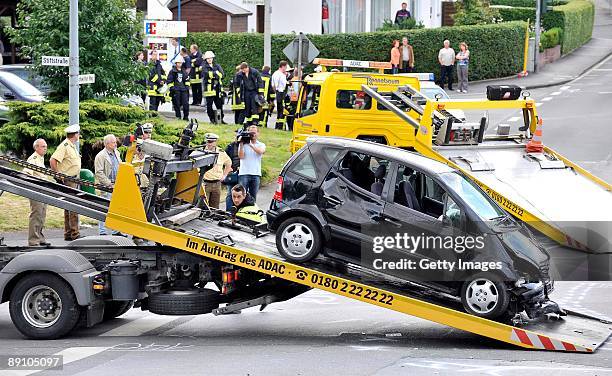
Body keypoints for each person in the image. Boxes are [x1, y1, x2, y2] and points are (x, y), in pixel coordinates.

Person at [50, 124, 82, 241]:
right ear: (75, 134)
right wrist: (57, 174)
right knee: (73, 206)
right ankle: (75, 233)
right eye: (78, 133)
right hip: (69, 180)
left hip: (73, 179)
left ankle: (69, 233)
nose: (79, 135)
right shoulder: (65, 145)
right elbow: (53, 160)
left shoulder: (71, 145)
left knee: (68, 207)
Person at [24, 138, 50, 246]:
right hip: (36, 190)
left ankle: (40, 238)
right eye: (43, 146)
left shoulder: (40, 158)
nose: (45, 149)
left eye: (46, 146)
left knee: (42, 215)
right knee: (36, 215)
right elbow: (26, 173)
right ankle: (33, 240)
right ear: (36, 147)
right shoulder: (33, 159)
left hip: (42, 190)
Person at [94, 134, 121, 235]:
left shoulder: (116, 153)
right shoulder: (100, 156)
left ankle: (115, 231)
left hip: (117, 185)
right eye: (113, 142)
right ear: (107, 144)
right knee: (104, 208)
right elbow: (99, 173)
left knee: (116, 209)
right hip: (108, 185)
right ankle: (102, 231)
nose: (115, 144)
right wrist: (109, 184)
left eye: (115, 142)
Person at [202, 133, 232, 209]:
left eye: (211, 142)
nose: (209, 144)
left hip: (217, 183)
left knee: (215, 207)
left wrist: (224, 175)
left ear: (215, 142)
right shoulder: (201, 152)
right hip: (205, 183)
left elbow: (229, 163)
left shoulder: (221, 152)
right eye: (208, 141)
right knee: (203, 206)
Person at [238, 125, 265, 200]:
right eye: (251, 133)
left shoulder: (261, 144)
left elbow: (260, 152)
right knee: (241, 196)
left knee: (253, 197)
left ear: (258, 133)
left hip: (255, 174)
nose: (253, 135)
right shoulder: (243, 144)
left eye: (254, 133)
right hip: (244, 173)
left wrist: (250, 144)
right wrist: (241, 144)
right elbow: (241, 156)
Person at [202, 51, 225, 124]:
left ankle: (220, 120)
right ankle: (212, 119)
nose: (209, 60)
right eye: (208, 58)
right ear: (206, 59)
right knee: (209, 106)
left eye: (211, 58)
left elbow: (222, 75)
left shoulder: (217, 66)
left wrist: (213, 75)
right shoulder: (204, 67)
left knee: (219, 105)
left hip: (218, 89)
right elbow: (206, 74)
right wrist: (216, 74)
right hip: (209, 89)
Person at [167, 55, 191, 120]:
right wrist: (172, 88)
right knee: (176, 104)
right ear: (176, 63)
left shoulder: (184, 71)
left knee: (185, 104)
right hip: (176, 90)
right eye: (178, 63)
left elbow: (187, 80)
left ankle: (186, 117)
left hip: (183, 90)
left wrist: (187, 87)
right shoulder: (172, 71)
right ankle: (178, 117)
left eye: (180, 63)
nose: (179, 64)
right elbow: (169, 81)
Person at [223, 132, 241, 210]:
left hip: (243, 173)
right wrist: (228, 168)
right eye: (237, 137)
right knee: (230, 193)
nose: (239, 139)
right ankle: (229, 212)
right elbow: (224, 159)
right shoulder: (230, 146)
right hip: (232, 173)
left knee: (242, 194)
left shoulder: (246, 146)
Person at [132, 122, 153, 188]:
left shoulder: (153, 147)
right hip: (133, 179)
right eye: (146, 133)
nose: (149, 135)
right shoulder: (135, 145)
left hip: (144, 181)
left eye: (150, 133)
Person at [271, 60, 290, 130]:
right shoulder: (277, 74)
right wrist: (277, 94)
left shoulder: (282, 74)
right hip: (279, 93)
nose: (286, 69)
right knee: (280, 111)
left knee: (282, 111)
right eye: (285, 67)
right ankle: (279, 126)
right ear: (283, 66)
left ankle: (279, 126)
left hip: (282, 93)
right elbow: (274, 85)